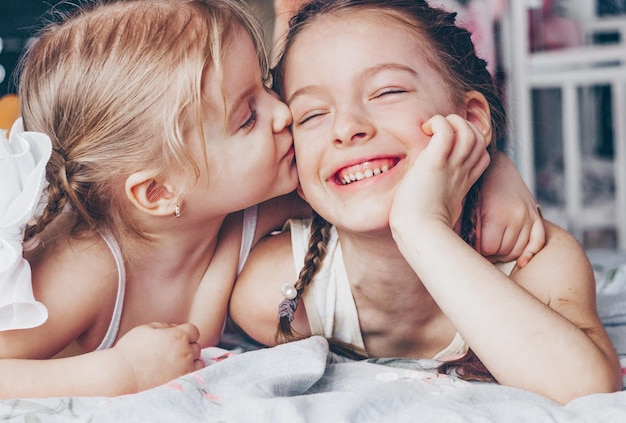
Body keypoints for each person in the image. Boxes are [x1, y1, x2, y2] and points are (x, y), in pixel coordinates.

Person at [0, 0, 542, 399]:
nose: (283, 113)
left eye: (265, 87)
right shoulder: (90, 266)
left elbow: (376, 182)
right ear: (160, 191)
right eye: (247, 116)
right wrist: (114, 375)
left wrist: (492, 170)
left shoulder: (259, 201)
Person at [229, 0, 622, 405]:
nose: (346, 128)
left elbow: (584, 387)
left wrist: (421, 228)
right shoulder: (279, 294)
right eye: (311, 115)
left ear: (470, 118)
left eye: (387, 91)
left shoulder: (532, 259)